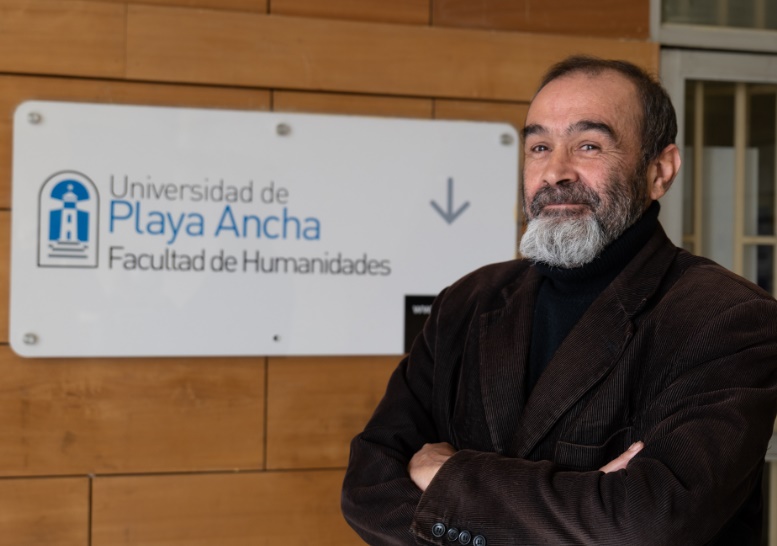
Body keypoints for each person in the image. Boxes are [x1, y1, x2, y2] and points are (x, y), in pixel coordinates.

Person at [341, 55, 777, 545]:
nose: (555, 172)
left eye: (588, 145)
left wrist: (449, 477)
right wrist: (582, 507)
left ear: (660, 170)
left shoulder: (726, 318)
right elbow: (367, 488)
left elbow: (650, 523)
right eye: (540, 147)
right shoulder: (466, 303)